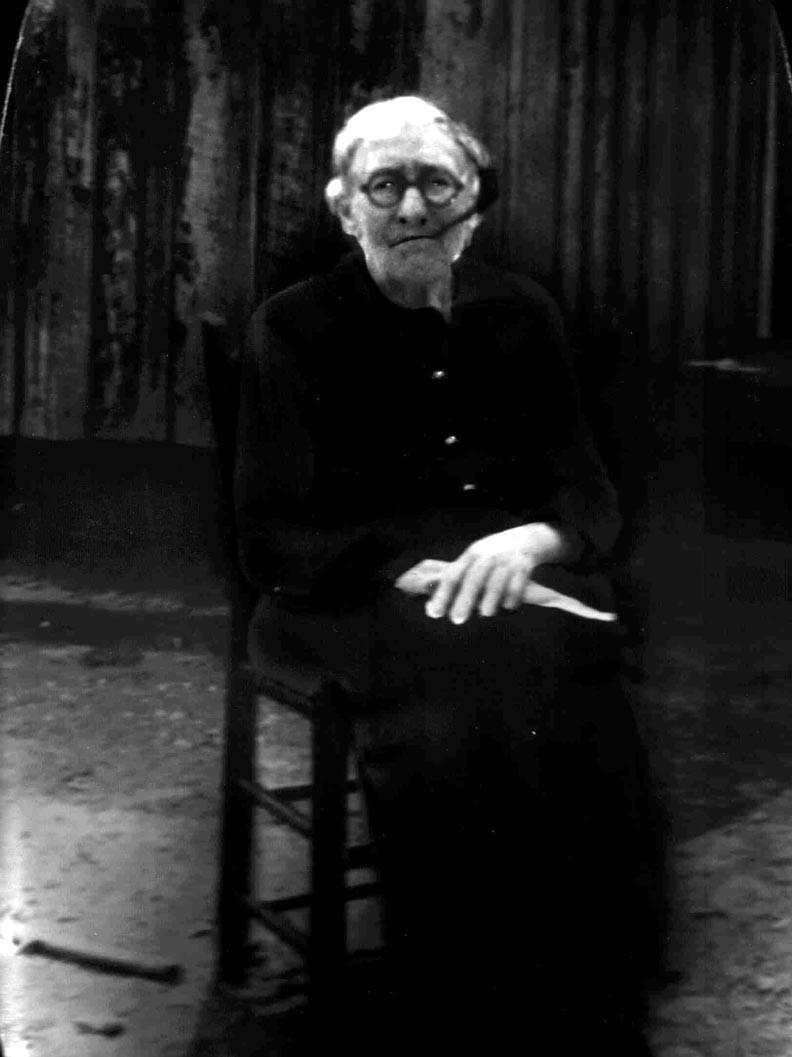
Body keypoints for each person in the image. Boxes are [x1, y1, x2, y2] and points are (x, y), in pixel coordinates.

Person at [234, 95, 666, 1053]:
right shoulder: (291, 329)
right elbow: (271, 539)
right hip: (345, 597)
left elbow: (589, 493)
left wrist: (532, 544)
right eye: (385, 185)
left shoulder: (523, 312)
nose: (412, 207)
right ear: (345, 207)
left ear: (475, 200)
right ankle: (459, 998)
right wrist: (405, 570)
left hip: (504, 584)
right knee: (455, 694)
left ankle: (587, 986)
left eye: (437, 182)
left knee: (579, 657)